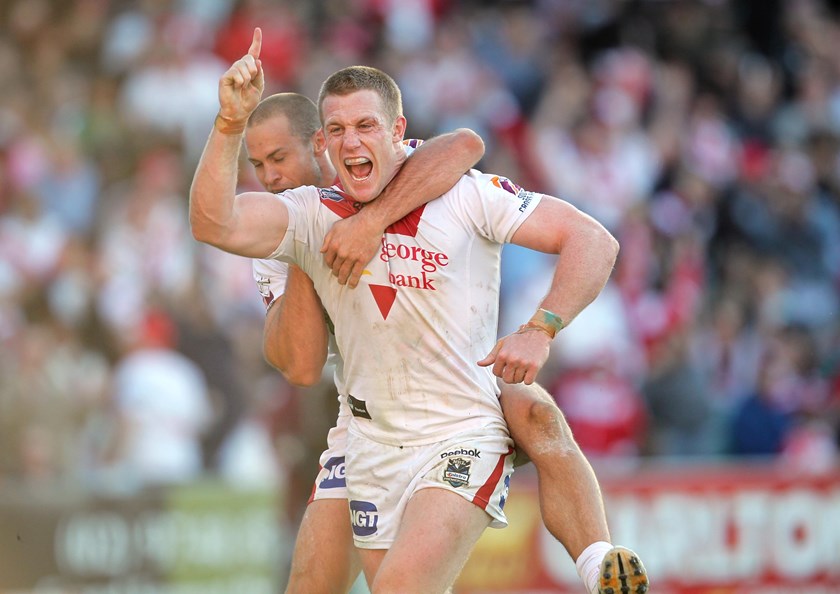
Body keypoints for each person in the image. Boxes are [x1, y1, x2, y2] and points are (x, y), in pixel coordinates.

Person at [191, 28, 648, 594]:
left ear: (399, 131)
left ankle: (597, 561)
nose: (351, 140)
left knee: (407, 581)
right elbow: (214, 224)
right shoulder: (306, 214)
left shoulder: (464, 192)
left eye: (365, 126)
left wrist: (540, 327)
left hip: (460, 432)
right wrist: (229, 123)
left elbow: (592, 239)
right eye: (337, 129)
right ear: (324, 146)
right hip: (365, 436)